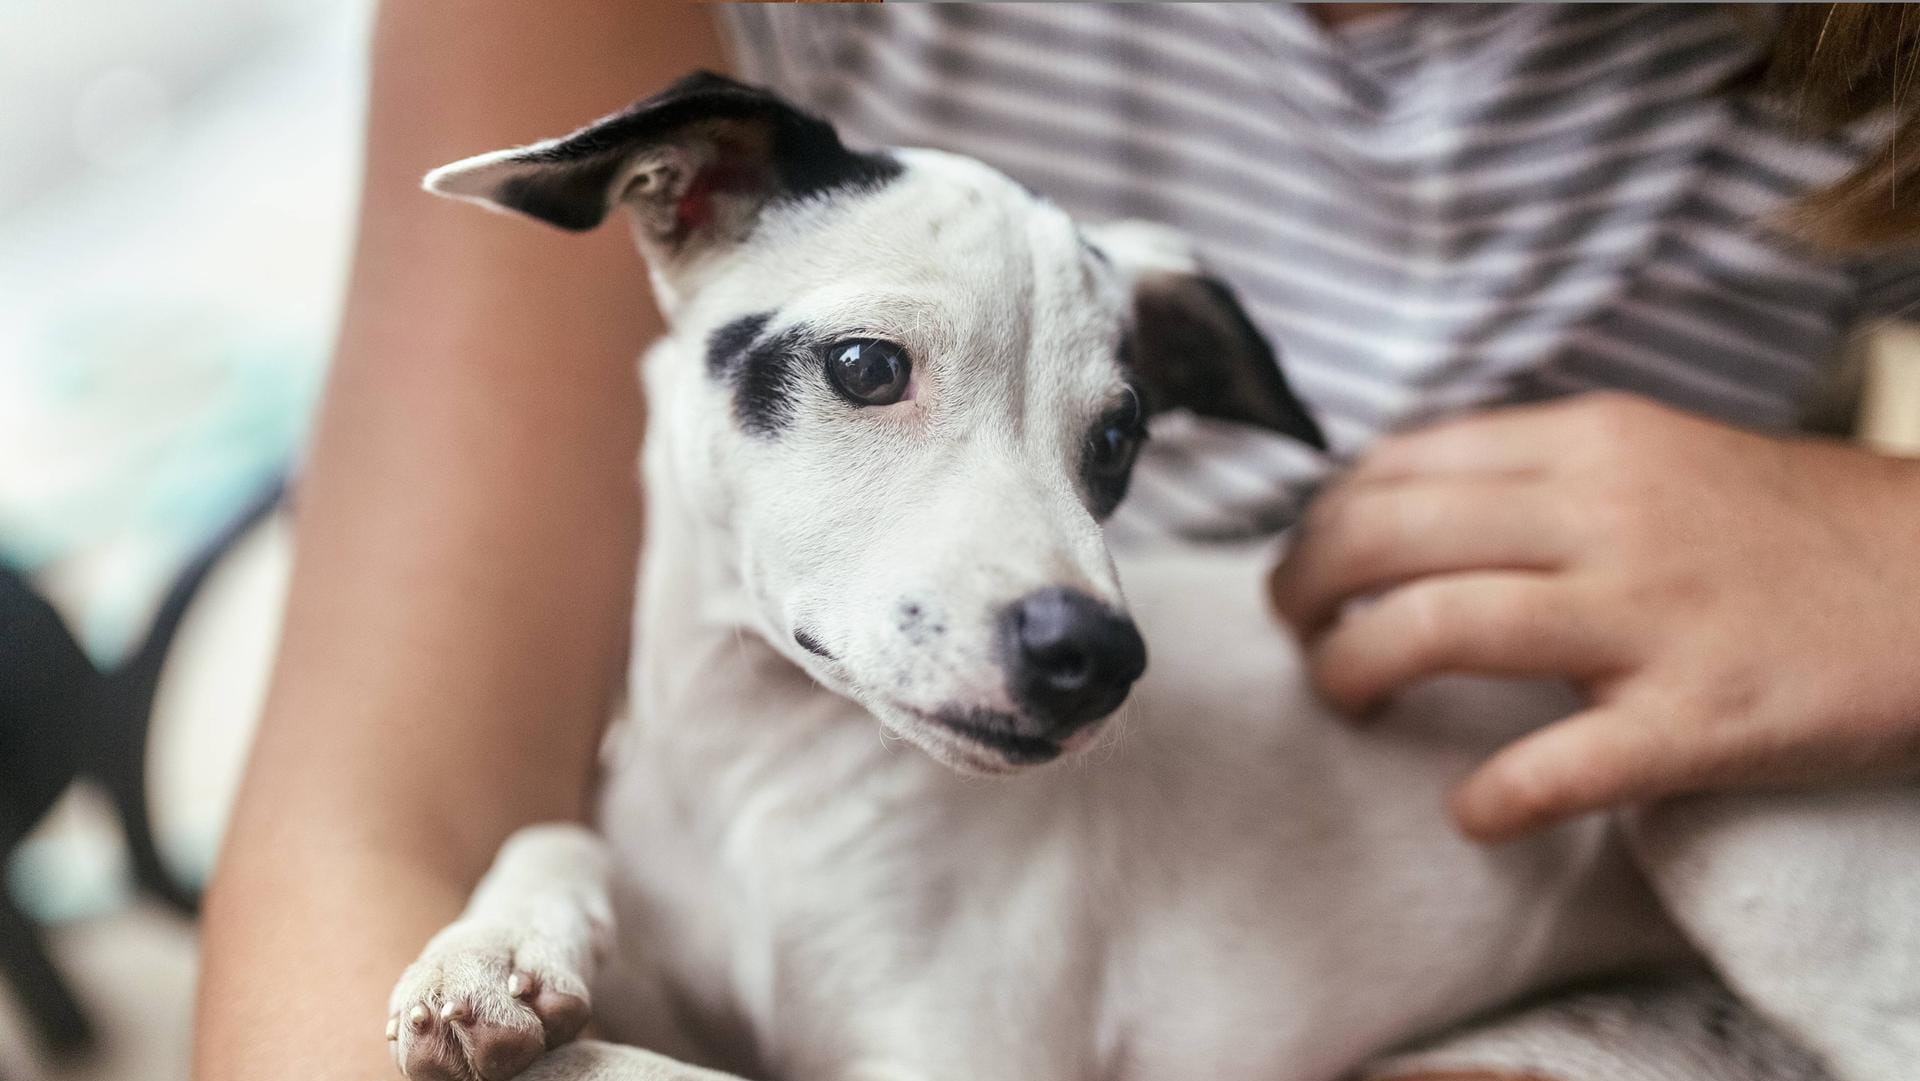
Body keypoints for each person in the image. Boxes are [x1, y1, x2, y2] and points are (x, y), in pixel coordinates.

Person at [193, 4, 1920, 1080]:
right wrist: (539, 892)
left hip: (1714, 863)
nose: (1073, 599)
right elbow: (383, 840)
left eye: (1105, 446)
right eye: (871, 375)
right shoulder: (652, 815)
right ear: (670, 201)